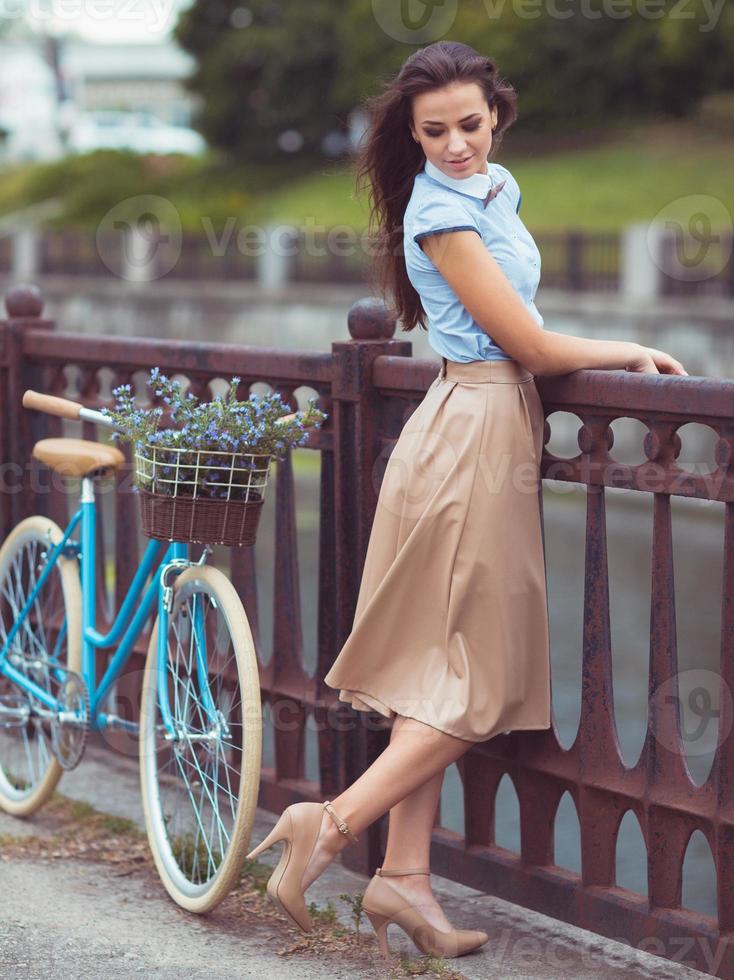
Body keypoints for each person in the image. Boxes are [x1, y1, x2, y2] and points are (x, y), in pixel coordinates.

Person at [246, 40, 687, 960]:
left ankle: (404, 879)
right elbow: (524, 342)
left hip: (478, 425)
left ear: (499, 114)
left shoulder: (494, 190)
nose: (455, 145)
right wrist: (628, 349)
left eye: (470, 126)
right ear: (413, 137)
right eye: (434, 132)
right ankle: (327, 823)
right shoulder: (441, 215)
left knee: (439, 672)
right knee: (481, 682)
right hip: (475, 434)